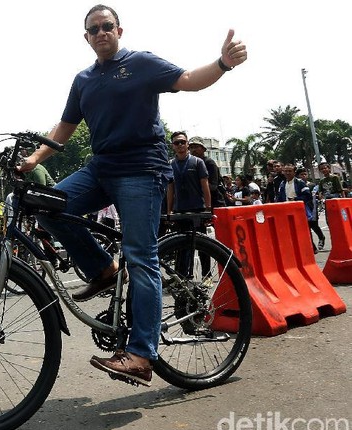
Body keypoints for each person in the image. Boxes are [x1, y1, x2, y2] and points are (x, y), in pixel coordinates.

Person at [18, 4, 247, 386]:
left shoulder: (140, 63)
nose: (102, 32)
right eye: (94, 29)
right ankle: (102, 270)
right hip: (101, 167)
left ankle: (141, 355)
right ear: (86, 37)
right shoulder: (84, 80)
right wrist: (33, 158)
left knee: (141, 256)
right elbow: (64, 127)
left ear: (119, 31)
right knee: (47, 205)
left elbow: (189, 79)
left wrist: (222, 63)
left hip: (142, 167)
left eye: (108, 26)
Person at [166, 132, 211, 214]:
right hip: (178, 210)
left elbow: (205, 186)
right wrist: (169, 210)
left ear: (187, 144)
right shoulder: (170, 164)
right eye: (176, 143)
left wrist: (208, 208)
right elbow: (170, 189)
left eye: (182, 142)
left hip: (198, 209)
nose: (180, 145)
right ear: (172, 146)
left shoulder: (198, 162)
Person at [188, 137, 226, 208]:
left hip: (215, 204)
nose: (193, 150)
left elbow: (213, 186)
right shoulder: (190, 164)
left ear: (203, 149)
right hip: (198, 204)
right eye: (191, 147)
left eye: (196, 147)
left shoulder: (209, 163)